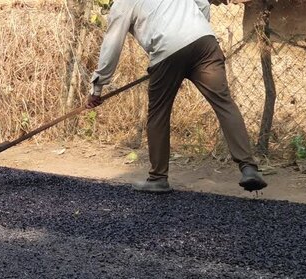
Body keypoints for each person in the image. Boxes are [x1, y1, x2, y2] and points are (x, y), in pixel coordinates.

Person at [86, 0, 267, 193]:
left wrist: (97, 87)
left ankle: (157, 178)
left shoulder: (123, 4)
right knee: (224, 104)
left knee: (158, 114)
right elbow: (203, 4)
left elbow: (112, 45)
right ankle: (248, 167)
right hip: (205, 41)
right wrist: (194, 35)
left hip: (168, 49)